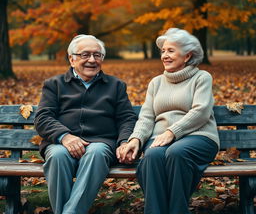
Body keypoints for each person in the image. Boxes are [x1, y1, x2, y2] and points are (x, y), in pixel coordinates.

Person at [117, 28, 220, 214]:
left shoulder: (201, 77)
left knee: (176, 152)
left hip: (199, 137)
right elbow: (147, 117)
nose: (164, 55)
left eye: (170, 51)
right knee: (152, 156)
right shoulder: (156, 82)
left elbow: (202, 111)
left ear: (187, 56)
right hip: (161, 140)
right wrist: (136, 139)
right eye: (163, 51)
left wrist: (172, 132)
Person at [34, 34, 137, 214]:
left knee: (96, 152)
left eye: (97, 55)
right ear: (71, 59)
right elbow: (43, 117)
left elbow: (126, 118)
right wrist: (64, 136)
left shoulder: (116, 85)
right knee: (57, 156)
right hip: (60, 144)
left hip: (101, 143)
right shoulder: (54, 84)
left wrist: (124, 142)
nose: (92, 60)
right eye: (85, 55)